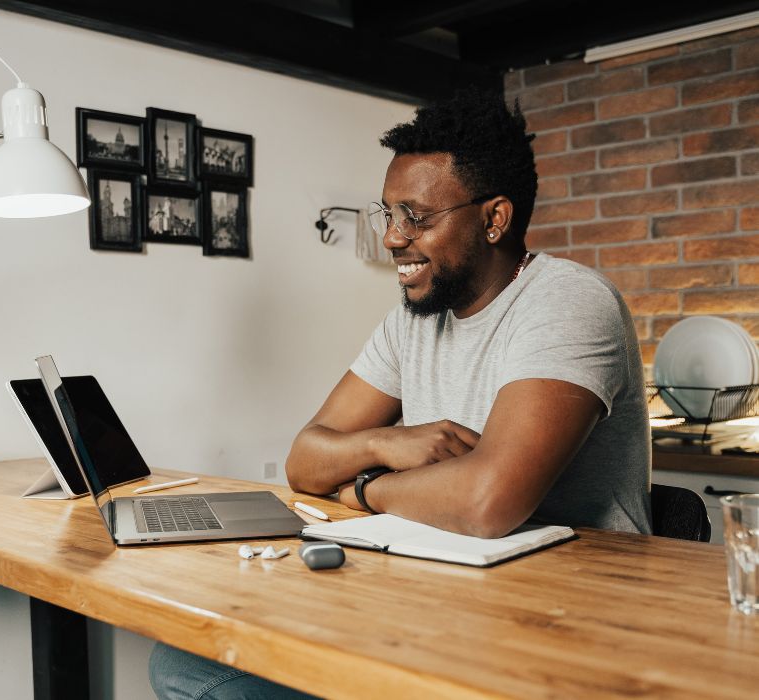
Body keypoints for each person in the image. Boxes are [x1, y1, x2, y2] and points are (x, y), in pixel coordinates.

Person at [149, 85, 651, 699]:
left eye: (417, 216)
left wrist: (362, 488)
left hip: (568, 622)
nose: (392, 238)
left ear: (494, 219)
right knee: (186, 665)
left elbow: (488, 500)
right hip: (446, 598)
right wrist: (392, 442)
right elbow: (305, 461)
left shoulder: (566, 302)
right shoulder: (411, 321)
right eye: (388, 213)